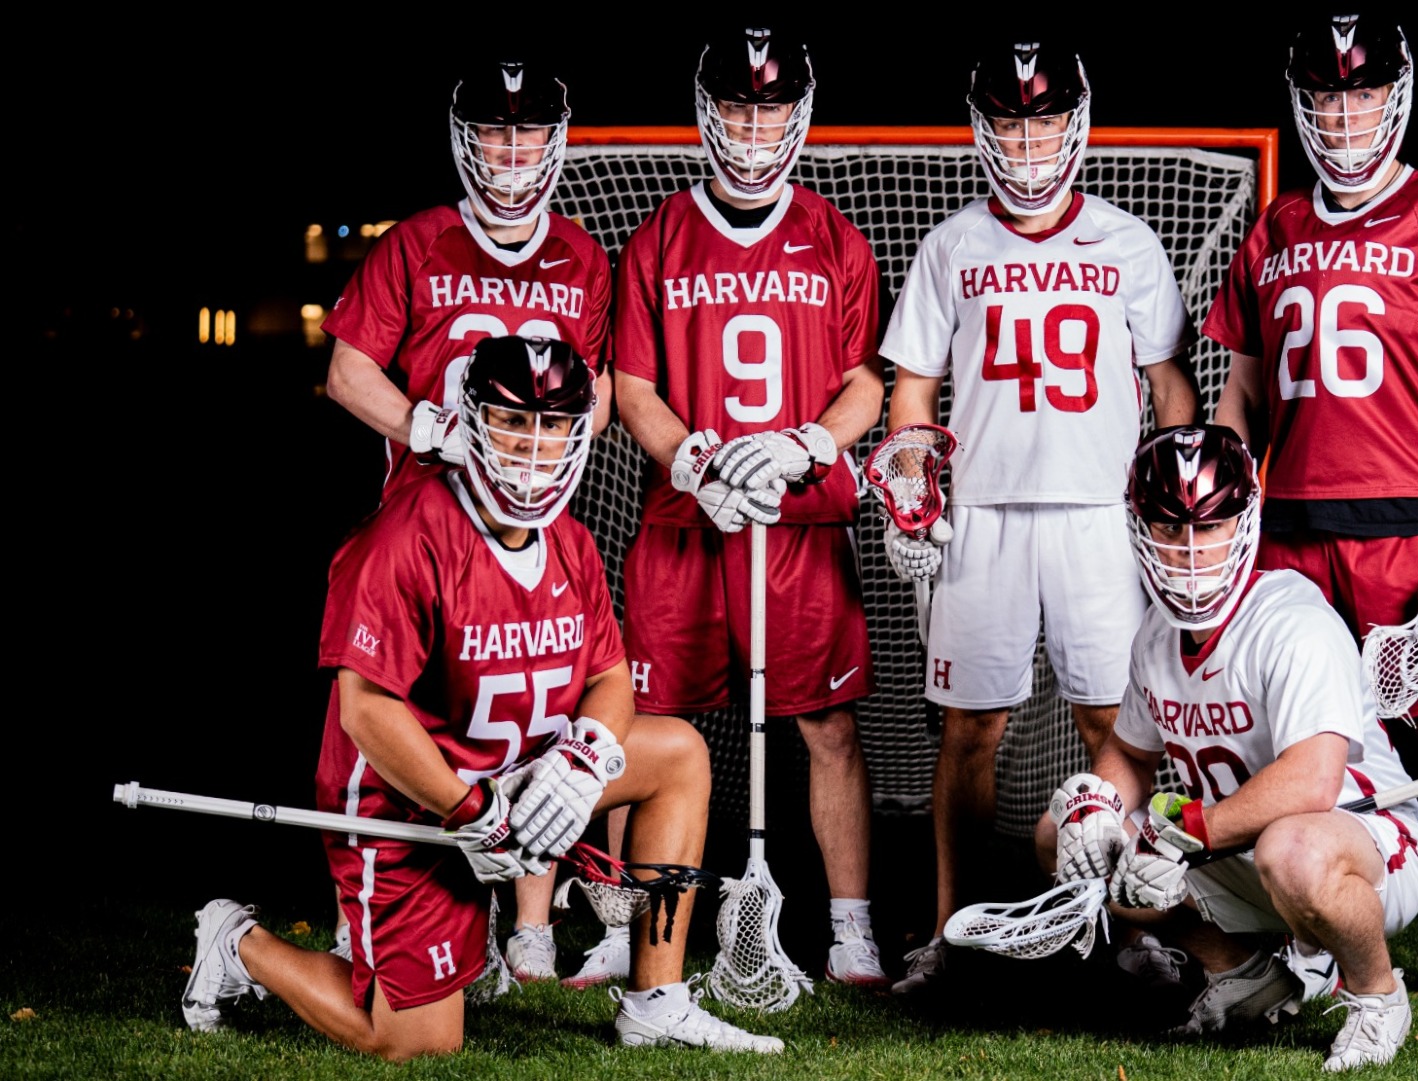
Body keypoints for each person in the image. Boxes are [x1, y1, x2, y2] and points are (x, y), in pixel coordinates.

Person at [179, 336, 782, 1058]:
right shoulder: (404, 537)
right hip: (413, 803)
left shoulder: (569, 540)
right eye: (512, 420)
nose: (534, 445)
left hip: (521, 774)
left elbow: (609, 675)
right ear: (469, 421)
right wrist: (471, 811)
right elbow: (365, 710)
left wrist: (584, 758)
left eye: (553, 423)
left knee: (677, 753)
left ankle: (657, 1000)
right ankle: (239, 943)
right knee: (417, 1043)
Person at [1204, 12, 1418, 1023]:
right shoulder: (1277, 226)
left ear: (1397, 94)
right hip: (1293, 532)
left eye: (1363, 91)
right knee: (1296, 740)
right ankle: (1306, 942)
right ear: (1305, 102)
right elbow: (1240, 398)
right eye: (1329, 94)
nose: (1346, 113)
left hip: (1412, 528)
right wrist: (1217, 508)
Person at [880, 40, 1201, 996]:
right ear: (985, 128)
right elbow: (913, 393)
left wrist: (1171, 490)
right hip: (983, 518)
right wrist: (911, 484)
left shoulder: (1127, 239)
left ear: (1077, 121)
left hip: (1100, 516)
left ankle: (1140, 921)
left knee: (1120, 722)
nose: (1030, 141)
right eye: (1012, 121)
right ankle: (951, 930)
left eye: (1046, 119)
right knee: (971, 729)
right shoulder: (951, 245)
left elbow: (1169, 387)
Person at [317, 57, 614, 982]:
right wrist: (422, 423)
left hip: (524, 526)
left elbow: (595, 392)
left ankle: (526, 924)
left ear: (554, 143)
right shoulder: (416, 244)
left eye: (527, 131)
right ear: (465, 139)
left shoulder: (584, 260)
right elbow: (345, 372)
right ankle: (365, 917)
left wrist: (551, 450)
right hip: (426, 524)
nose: (512, 149)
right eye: (494, 131)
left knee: (534, 709)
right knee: (391, 722)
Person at [608, 26, 890, 991]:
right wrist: (694, 460)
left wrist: (808, 443)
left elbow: (863, 381)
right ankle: (621, 922)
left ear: (797, 114)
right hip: (689, 524)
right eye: (737, 105)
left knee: (828, 730)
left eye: (769, 106)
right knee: (647, 720)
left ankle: (851, 931)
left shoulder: (832, 234)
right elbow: (633, 385)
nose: (753, 124)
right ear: (708, 111)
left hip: (801, 524)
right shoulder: (657, 235)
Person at [1038, 424, 1418, 1071]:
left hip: (1368, 842)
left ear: (1245, 521)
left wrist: (1182, 834)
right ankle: (1247, 970)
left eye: (1211, 526)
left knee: (1295, 846)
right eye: (1170, 529)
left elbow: (1312, 783)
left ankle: (1376, 994)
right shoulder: (1155, 634)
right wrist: (1098, 804)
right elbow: (1132, 756)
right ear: (1141, 528)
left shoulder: (1291, 620)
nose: (1191, 553)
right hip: (1244, 847)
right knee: (1065, 833)